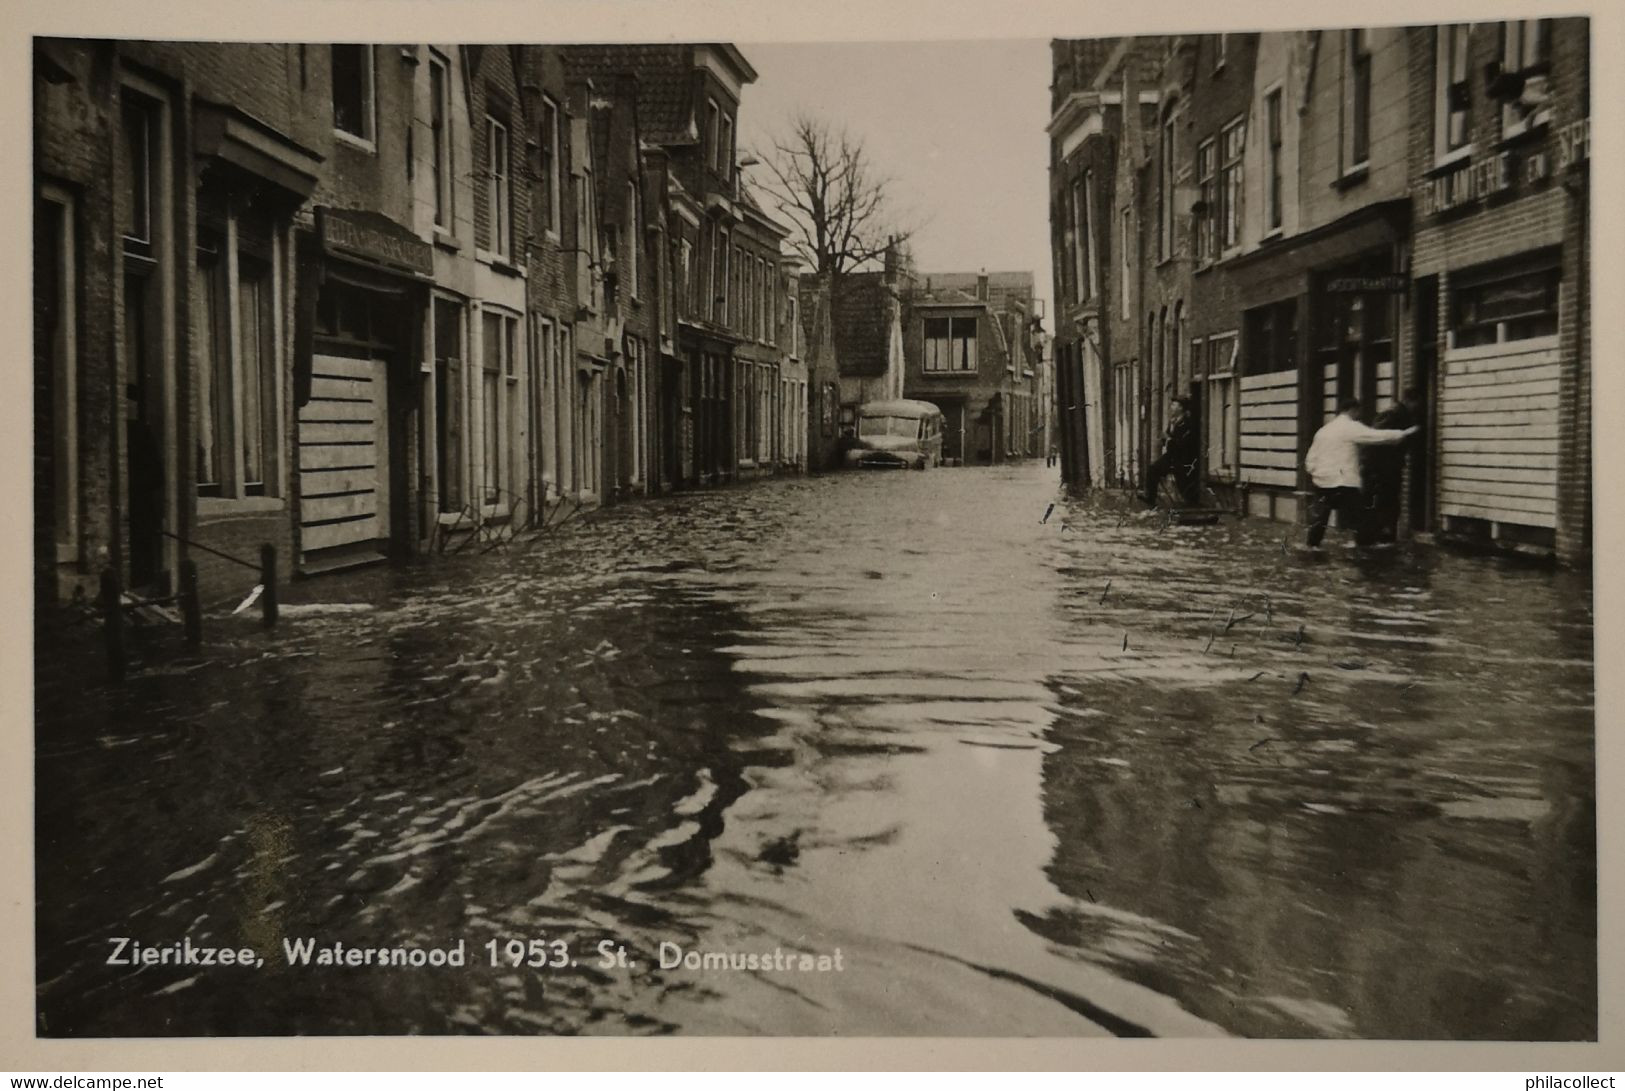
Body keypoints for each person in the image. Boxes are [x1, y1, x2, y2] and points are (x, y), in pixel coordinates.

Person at [1304, 397, 1418, 549]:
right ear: (1353, 410)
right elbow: (1375, 436)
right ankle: (1365, 544)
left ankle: (1312, 545)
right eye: (1358, 411)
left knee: (1321, 516)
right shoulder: (1350, 426)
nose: (1359, 414)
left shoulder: (1324, 430)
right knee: (1361, 515)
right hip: (1343, 481)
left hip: (1322, 480)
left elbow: (1310, 458)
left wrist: (1316, 473)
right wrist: (1402, 434)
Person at [1361, 385, 1424, 544]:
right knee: (1382, 503)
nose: (1418, 407)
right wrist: (1371, 467)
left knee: (1390, 503)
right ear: (1409, 400)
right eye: (1417, 403)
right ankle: (1375, 540)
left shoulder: (1403, 414)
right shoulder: (1393, 413)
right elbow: (1374, 439)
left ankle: (1385, 538)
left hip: (1389, 469)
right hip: (1380, 469)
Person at [1142, 396, 1200, 507]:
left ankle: (1191, 503)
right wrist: (1164, 439)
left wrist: (1168, 439)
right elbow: (1169, 439)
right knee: (1152, 469)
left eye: (1174, 405)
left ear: (1181, 408)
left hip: (1183, 457)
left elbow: (1184, 443)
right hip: (1171, 456)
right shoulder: (1172, 421)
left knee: (1183, 480)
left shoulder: (1188, 423)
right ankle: (1150, 498)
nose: (1171, 407)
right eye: (1172, 404)